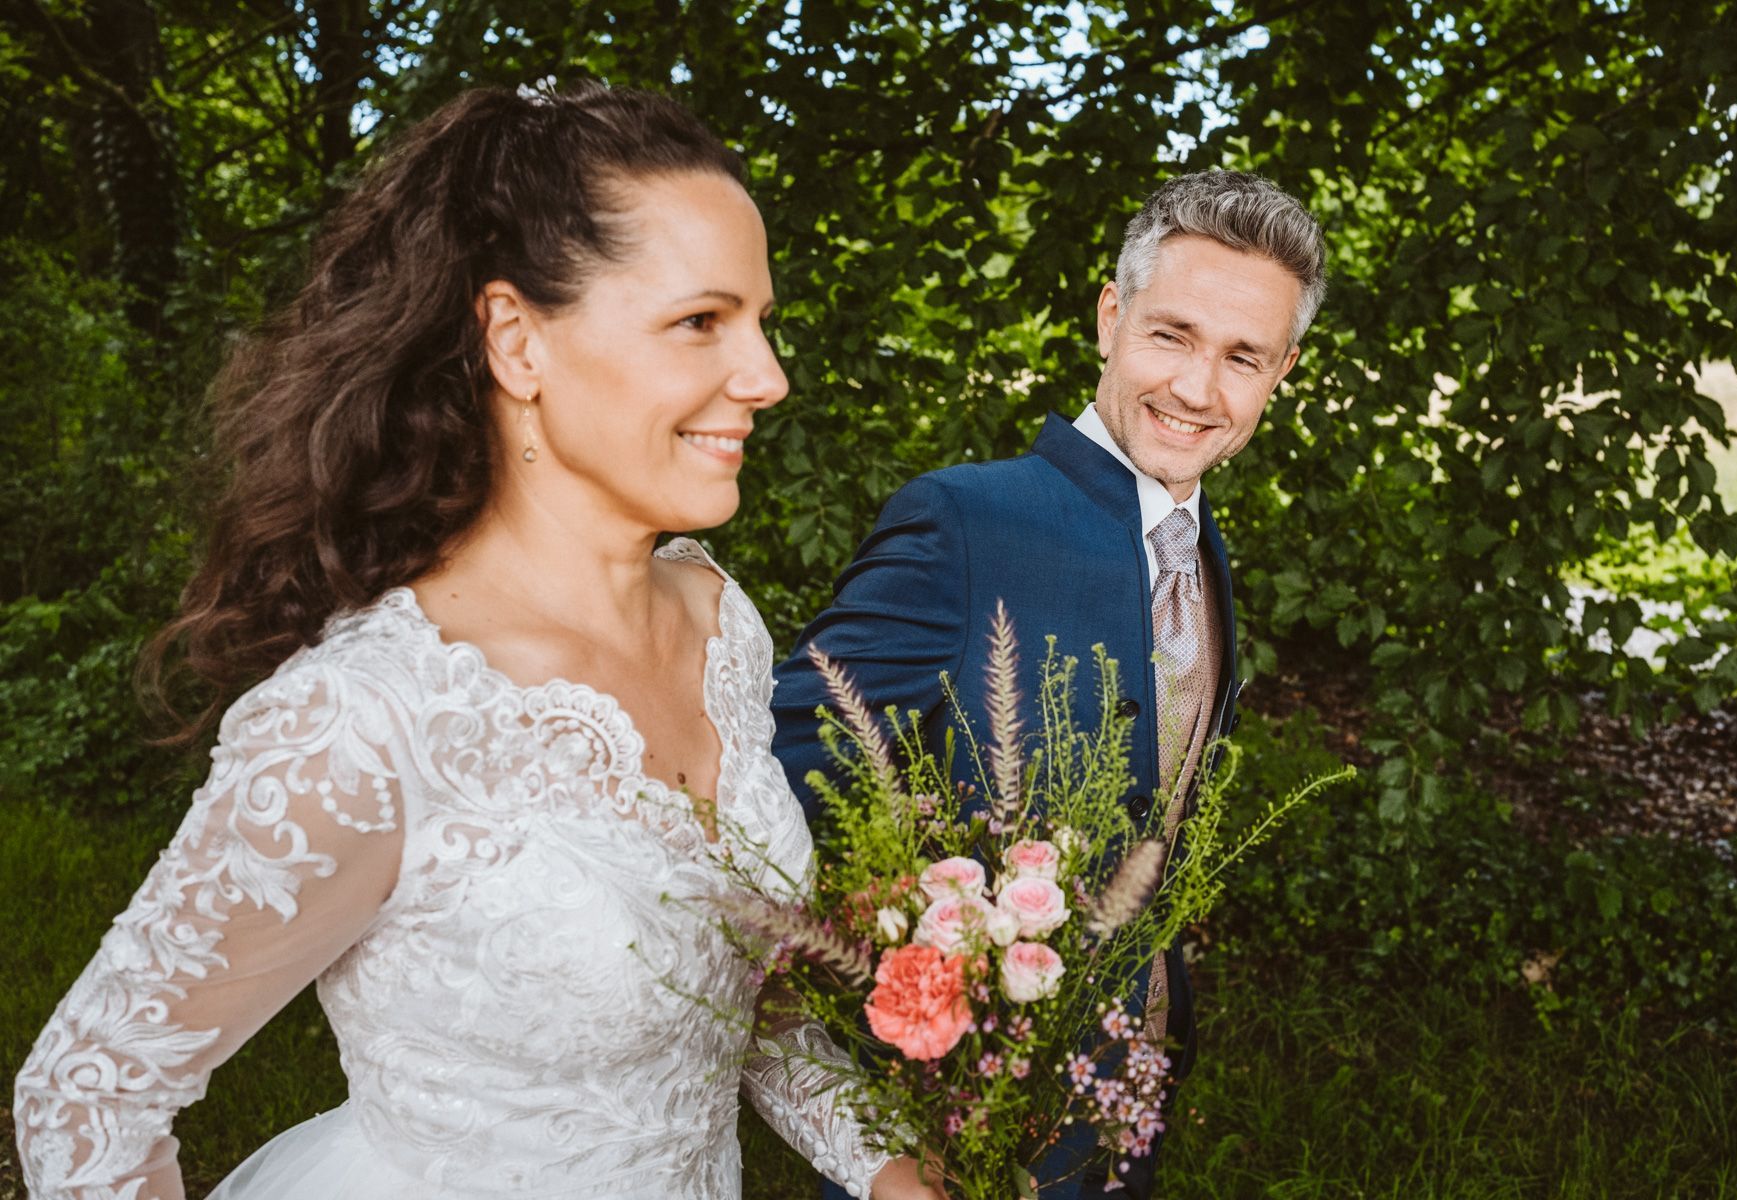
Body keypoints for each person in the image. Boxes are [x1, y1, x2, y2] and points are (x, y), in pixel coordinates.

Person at [14, 81, 943, 1200]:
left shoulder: (716, 620)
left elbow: (732, 992)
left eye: (760, 320)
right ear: (516, 339)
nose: (766, 377)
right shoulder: (368, 719)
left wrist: (885, 1162)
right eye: (701, 321)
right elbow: (85, 1094)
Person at [771, 169, 1326, 1198]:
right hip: (951, 1120)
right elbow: (782, 781)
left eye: (1242, 357)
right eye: (1173, 336)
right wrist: (910, 1011)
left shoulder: (1205, 555)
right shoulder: (963, 521)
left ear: (1280, 371)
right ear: (1112, 317)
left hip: (1125, 1100)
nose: (1199, 391)